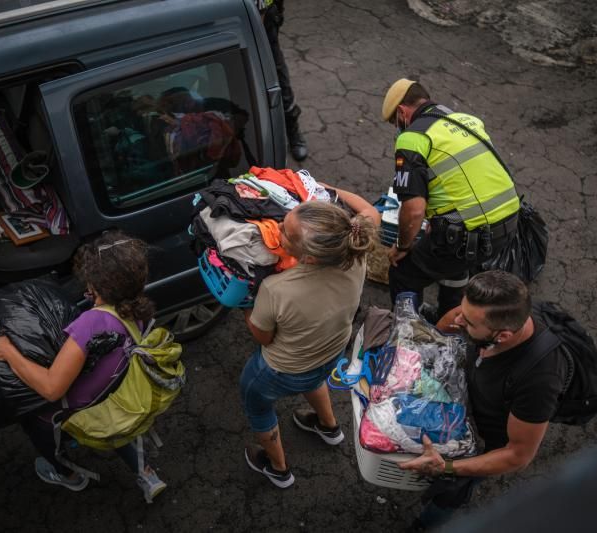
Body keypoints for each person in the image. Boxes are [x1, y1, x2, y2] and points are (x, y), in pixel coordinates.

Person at [0, 231, 167, 503]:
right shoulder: (136, 310)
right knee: (122, 433)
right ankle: (147, 474)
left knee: (34, 421)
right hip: (114, 396)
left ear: (97, 283)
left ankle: (68, 475)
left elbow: (51, 388)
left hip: (74, 406)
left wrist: (7, 351)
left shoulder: (89, 324)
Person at [398, 270, 569, 529]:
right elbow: (452, 319)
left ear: (502, 337)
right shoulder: (490, 314)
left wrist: (447, 467)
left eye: (467, 322)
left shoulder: (538, 380)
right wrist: (428, 343)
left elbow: (517, 455)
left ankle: (426, 524)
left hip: (485, 441)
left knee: (450, 492)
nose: (458, 320)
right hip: (466, 407)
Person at [240, 188, 381, 488]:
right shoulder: (356, 251)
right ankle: (328, 427)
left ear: (310, 258)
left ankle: (278, 469)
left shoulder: (276, 289)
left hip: (281, 371)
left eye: (287, 235)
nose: (278, 229)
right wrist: (330, 190)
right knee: (316, 378)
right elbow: (370, 211)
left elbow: (262, 337)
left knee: (258, 406)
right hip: (331, 351)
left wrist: (244, 306)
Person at [382, 79, 521, 318]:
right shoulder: (466, 121)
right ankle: (449, 317)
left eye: (396, 122)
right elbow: (465, 180)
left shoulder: (413, 137)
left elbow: (414, 209)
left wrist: (402, 246)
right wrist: (438, 220)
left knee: (403, 272)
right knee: (452, 261)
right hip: (509, 220)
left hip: (470, 234)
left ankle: (410, 335)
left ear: (403, 112)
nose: (398, 127)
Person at [255, 0, 308, 161]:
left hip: (266, 19)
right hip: (236, 21)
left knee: (279, 79)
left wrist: (277, 12)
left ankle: (293, 132)